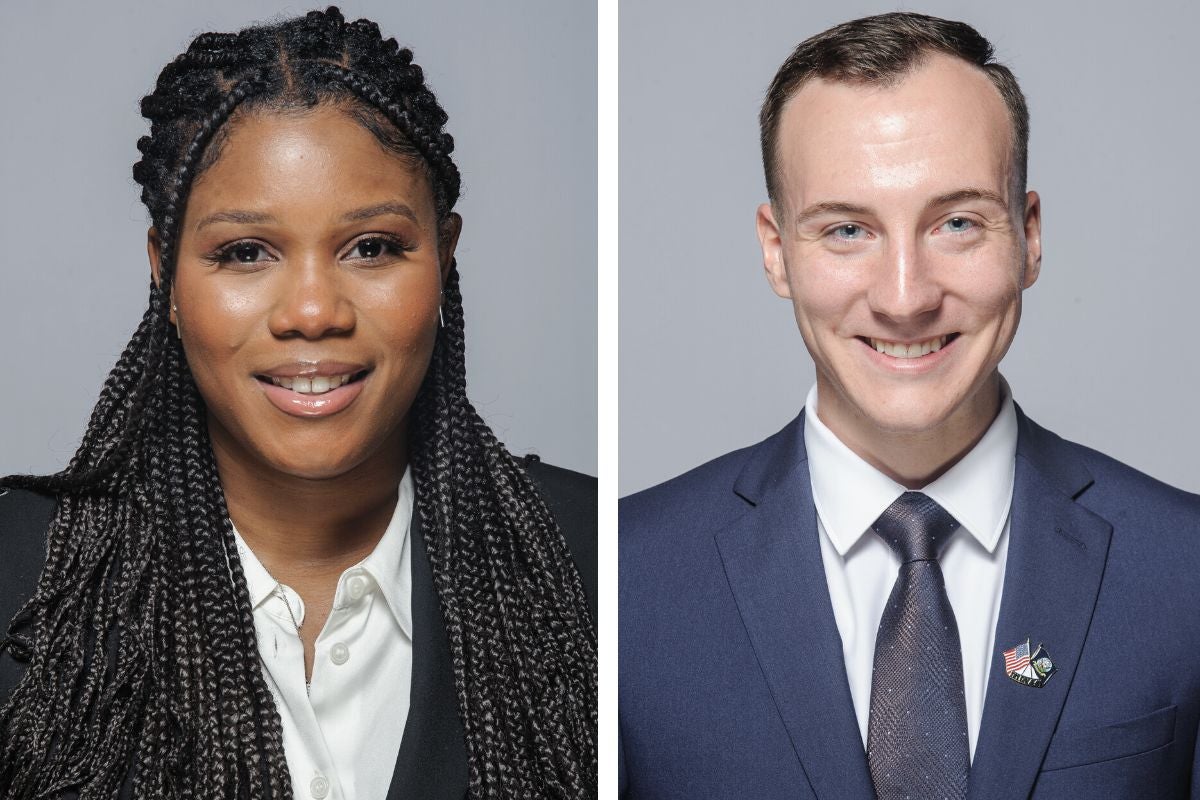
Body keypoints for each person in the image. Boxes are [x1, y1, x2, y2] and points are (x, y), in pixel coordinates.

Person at [0, 7, 596, 799]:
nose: (313, 312)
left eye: (371, 247)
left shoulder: (598, 564)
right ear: (164, 273)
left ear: (445, 256)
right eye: (246, 252)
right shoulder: (20, 579)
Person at [619, 12, 1200, 800]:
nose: (904, 298)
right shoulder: (624, 579)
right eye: (847, 229)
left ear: (1028, 237)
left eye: (957, 223)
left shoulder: (1184, 568)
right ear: (776, 251)